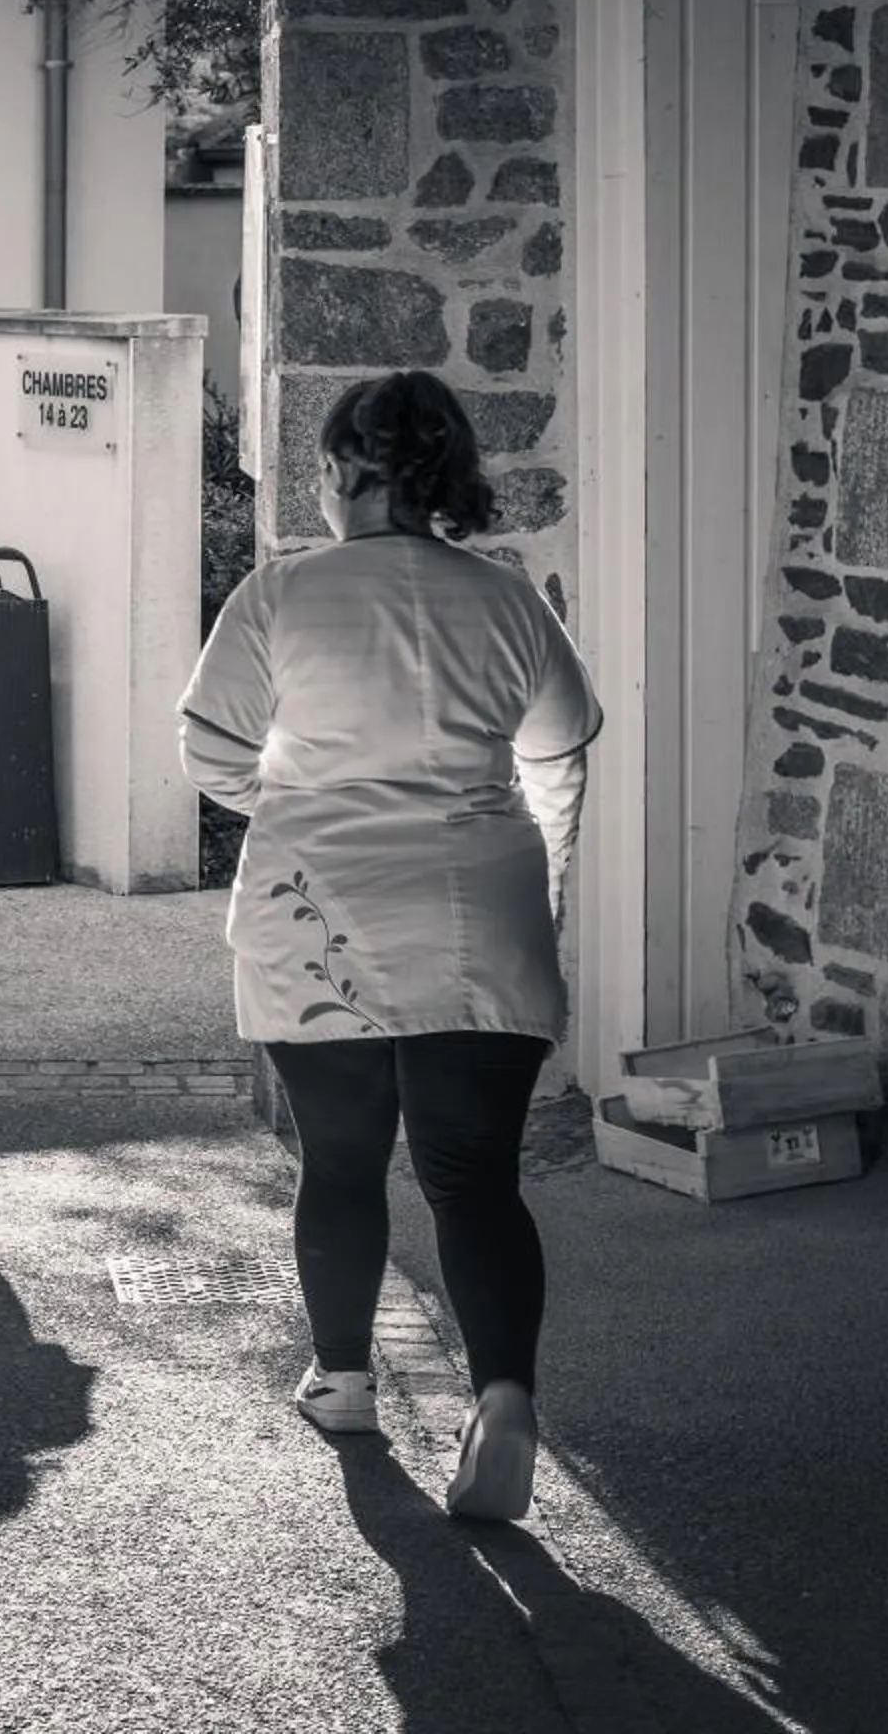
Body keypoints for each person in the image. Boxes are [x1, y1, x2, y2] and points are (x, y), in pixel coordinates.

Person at [176, 369, 600, 1524]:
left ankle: (346, 1379)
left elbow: (209, 749)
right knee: (472, 1179)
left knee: (344, 1160)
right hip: (480, 909)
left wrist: (299, 792)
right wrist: (541, 868)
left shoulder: (280, 595)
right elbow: (562, 747)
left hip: (323, 907)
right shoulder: (509, 601)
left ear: (343, 474)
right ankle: (503, 1391)